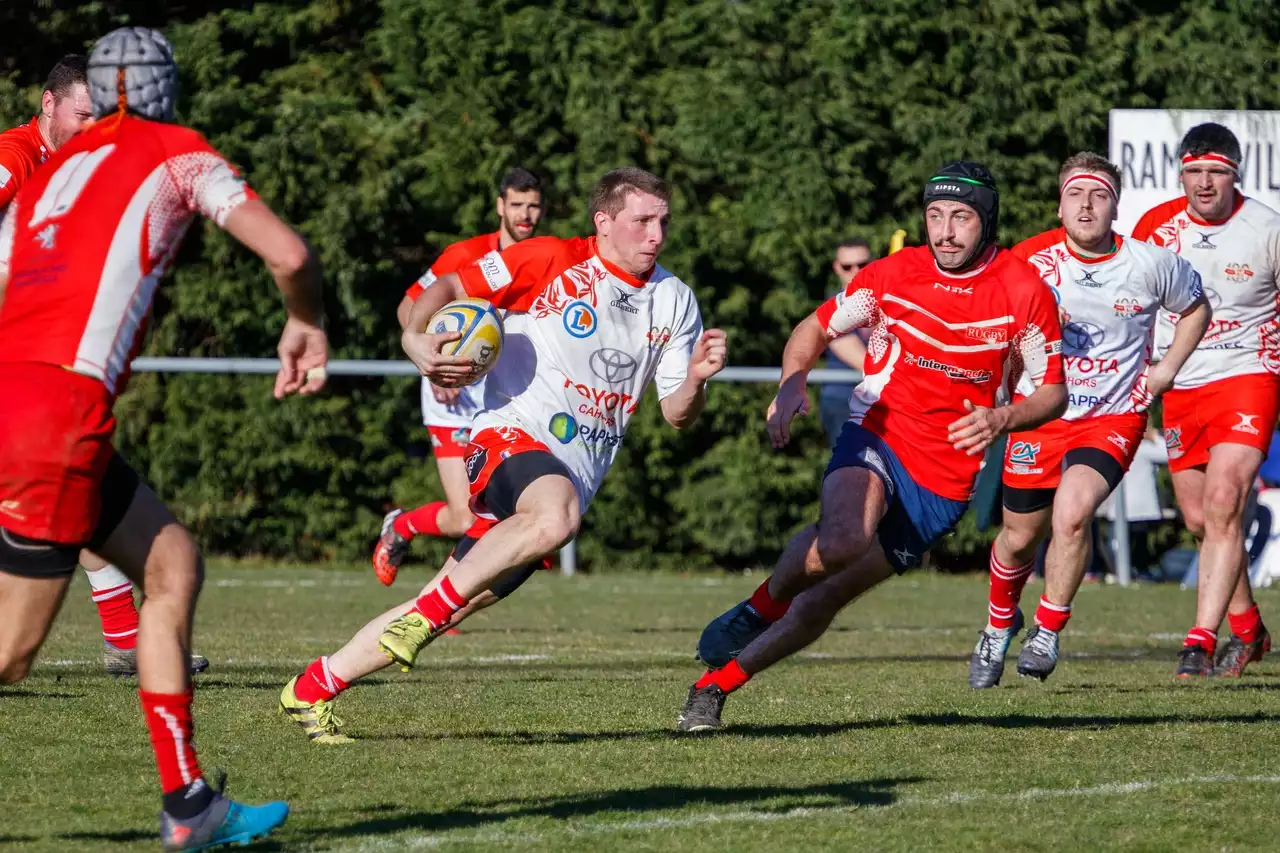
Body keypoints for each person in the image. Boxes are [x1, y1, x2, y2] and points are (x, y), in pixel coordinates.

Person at [0, 27, 327, 849]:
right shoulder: (179, 152)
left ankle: (189, 805)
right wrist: (303, 321)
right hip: (54, 413)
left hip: (24, 393)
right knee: (8, 654)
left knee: (171, 560)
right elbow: (289, 252)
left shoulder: (55, 171)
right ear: (164, 90)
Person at [280, 167, 726, 743]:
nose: (656, 235)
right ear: (604, 222)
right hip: (508, 438)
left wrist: (694, 379)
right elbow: (443, 290)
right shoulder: (548, 259)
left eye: (663, 221)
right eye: (642, 220)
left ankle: (312, 688)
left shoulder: (674, 300)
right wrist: (415, 340)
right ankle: (427, 613)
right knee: (554, 519)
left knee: (448, 601)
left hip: (573, 473)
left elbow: (675, 414)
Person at [677, 162, 1067, 732]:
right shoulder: (892, 275)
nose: (945, 231)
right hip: (879, 431)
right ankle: (758, 607)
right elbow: (814, 327)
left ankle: (713, 689)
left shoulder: (1022, 290)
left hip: (943, 482)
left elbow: (1054, 391)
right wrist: (792, 386)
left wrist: (1004, 415)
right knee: (843, 538)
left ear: (986, 222)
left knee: (823, 601)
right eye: (934, 216)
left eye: (960, 217)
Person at [967, 152, 1209, 688]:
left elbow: (1196, 307)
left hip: (1112, 417)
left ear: (1115, 207)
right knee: (1017, 537)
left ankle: (1049, 630)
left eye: (1099, 196)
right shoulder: (1027, 262)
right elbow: (989, 323)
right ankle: (998, 624)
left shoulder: (1150, 263)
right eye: (1077, 194)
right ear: (1060, 204)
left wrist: (1166, 369)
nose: (1087, 205)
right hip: (1038, 416)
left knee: (1072, 514)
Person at [0, 54, 200, 677]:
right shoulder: (15, 157)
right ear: (48, 106)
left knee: (78, 486)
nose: (93, 129)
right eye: (82, 115)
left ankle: (123, 637)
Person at [1132, 123, 1280, 677]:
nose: (1203, 183)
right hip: (1180, 384)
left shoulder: (1267, 228)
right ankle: (1249, 630)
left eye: (1215, 171)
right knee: (1200, 519)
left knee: (1223, 503)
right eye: (1193, 171)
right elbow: (1137, 303)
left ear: (1235, 173)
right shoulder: (1157, 227)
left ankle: (1199, 639)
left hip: (1249, 375)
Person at [372, 167, 545, 586]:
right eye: (517, 204)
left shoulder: (546, 258)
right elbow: (408, 306)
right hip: (452, 391)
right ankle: (405, 527)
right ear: (500, 205)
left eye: (534, 206)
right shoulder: (465, 256)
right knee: (462, 516)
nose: (526, 214)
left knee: (501, 510)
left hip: (509, 398)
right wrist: (429, 362)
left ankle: (450, 598)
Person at [817, 238, 873, 447]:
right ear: (837, 268)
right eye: (847, 266)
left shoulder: (890, 302)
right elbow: (866, 362)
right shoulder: (831, 309)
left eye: (862, 264)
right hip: (843, 401)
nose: (856, 271)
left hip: (884, 401)